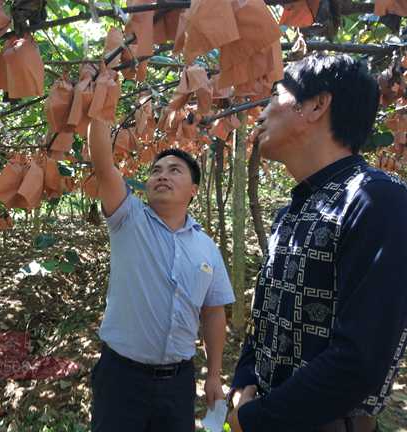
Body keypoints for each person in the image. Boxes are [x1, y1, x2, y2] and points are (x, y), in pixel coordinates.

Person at [228, 54, 407, 432]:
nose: (260, 114)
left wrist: (254, 420)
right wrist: (243, 382)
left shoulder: (378, 201)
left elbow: (359, 361)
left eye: (274, 97)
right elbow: (264, 315)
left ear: (316, 105)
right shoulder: (291, 212)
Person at [87, 118, 235, 431]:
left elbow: (213, 311)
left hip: (178, 384)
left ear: (193, 190)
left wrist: (213, 374)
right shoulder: (129, 218)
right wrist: (100, 104)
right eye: (156, 170)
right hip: (121, 379)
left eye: (174, 170)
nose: (162, 176)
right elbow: (103, 165)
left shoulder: (207, 247)